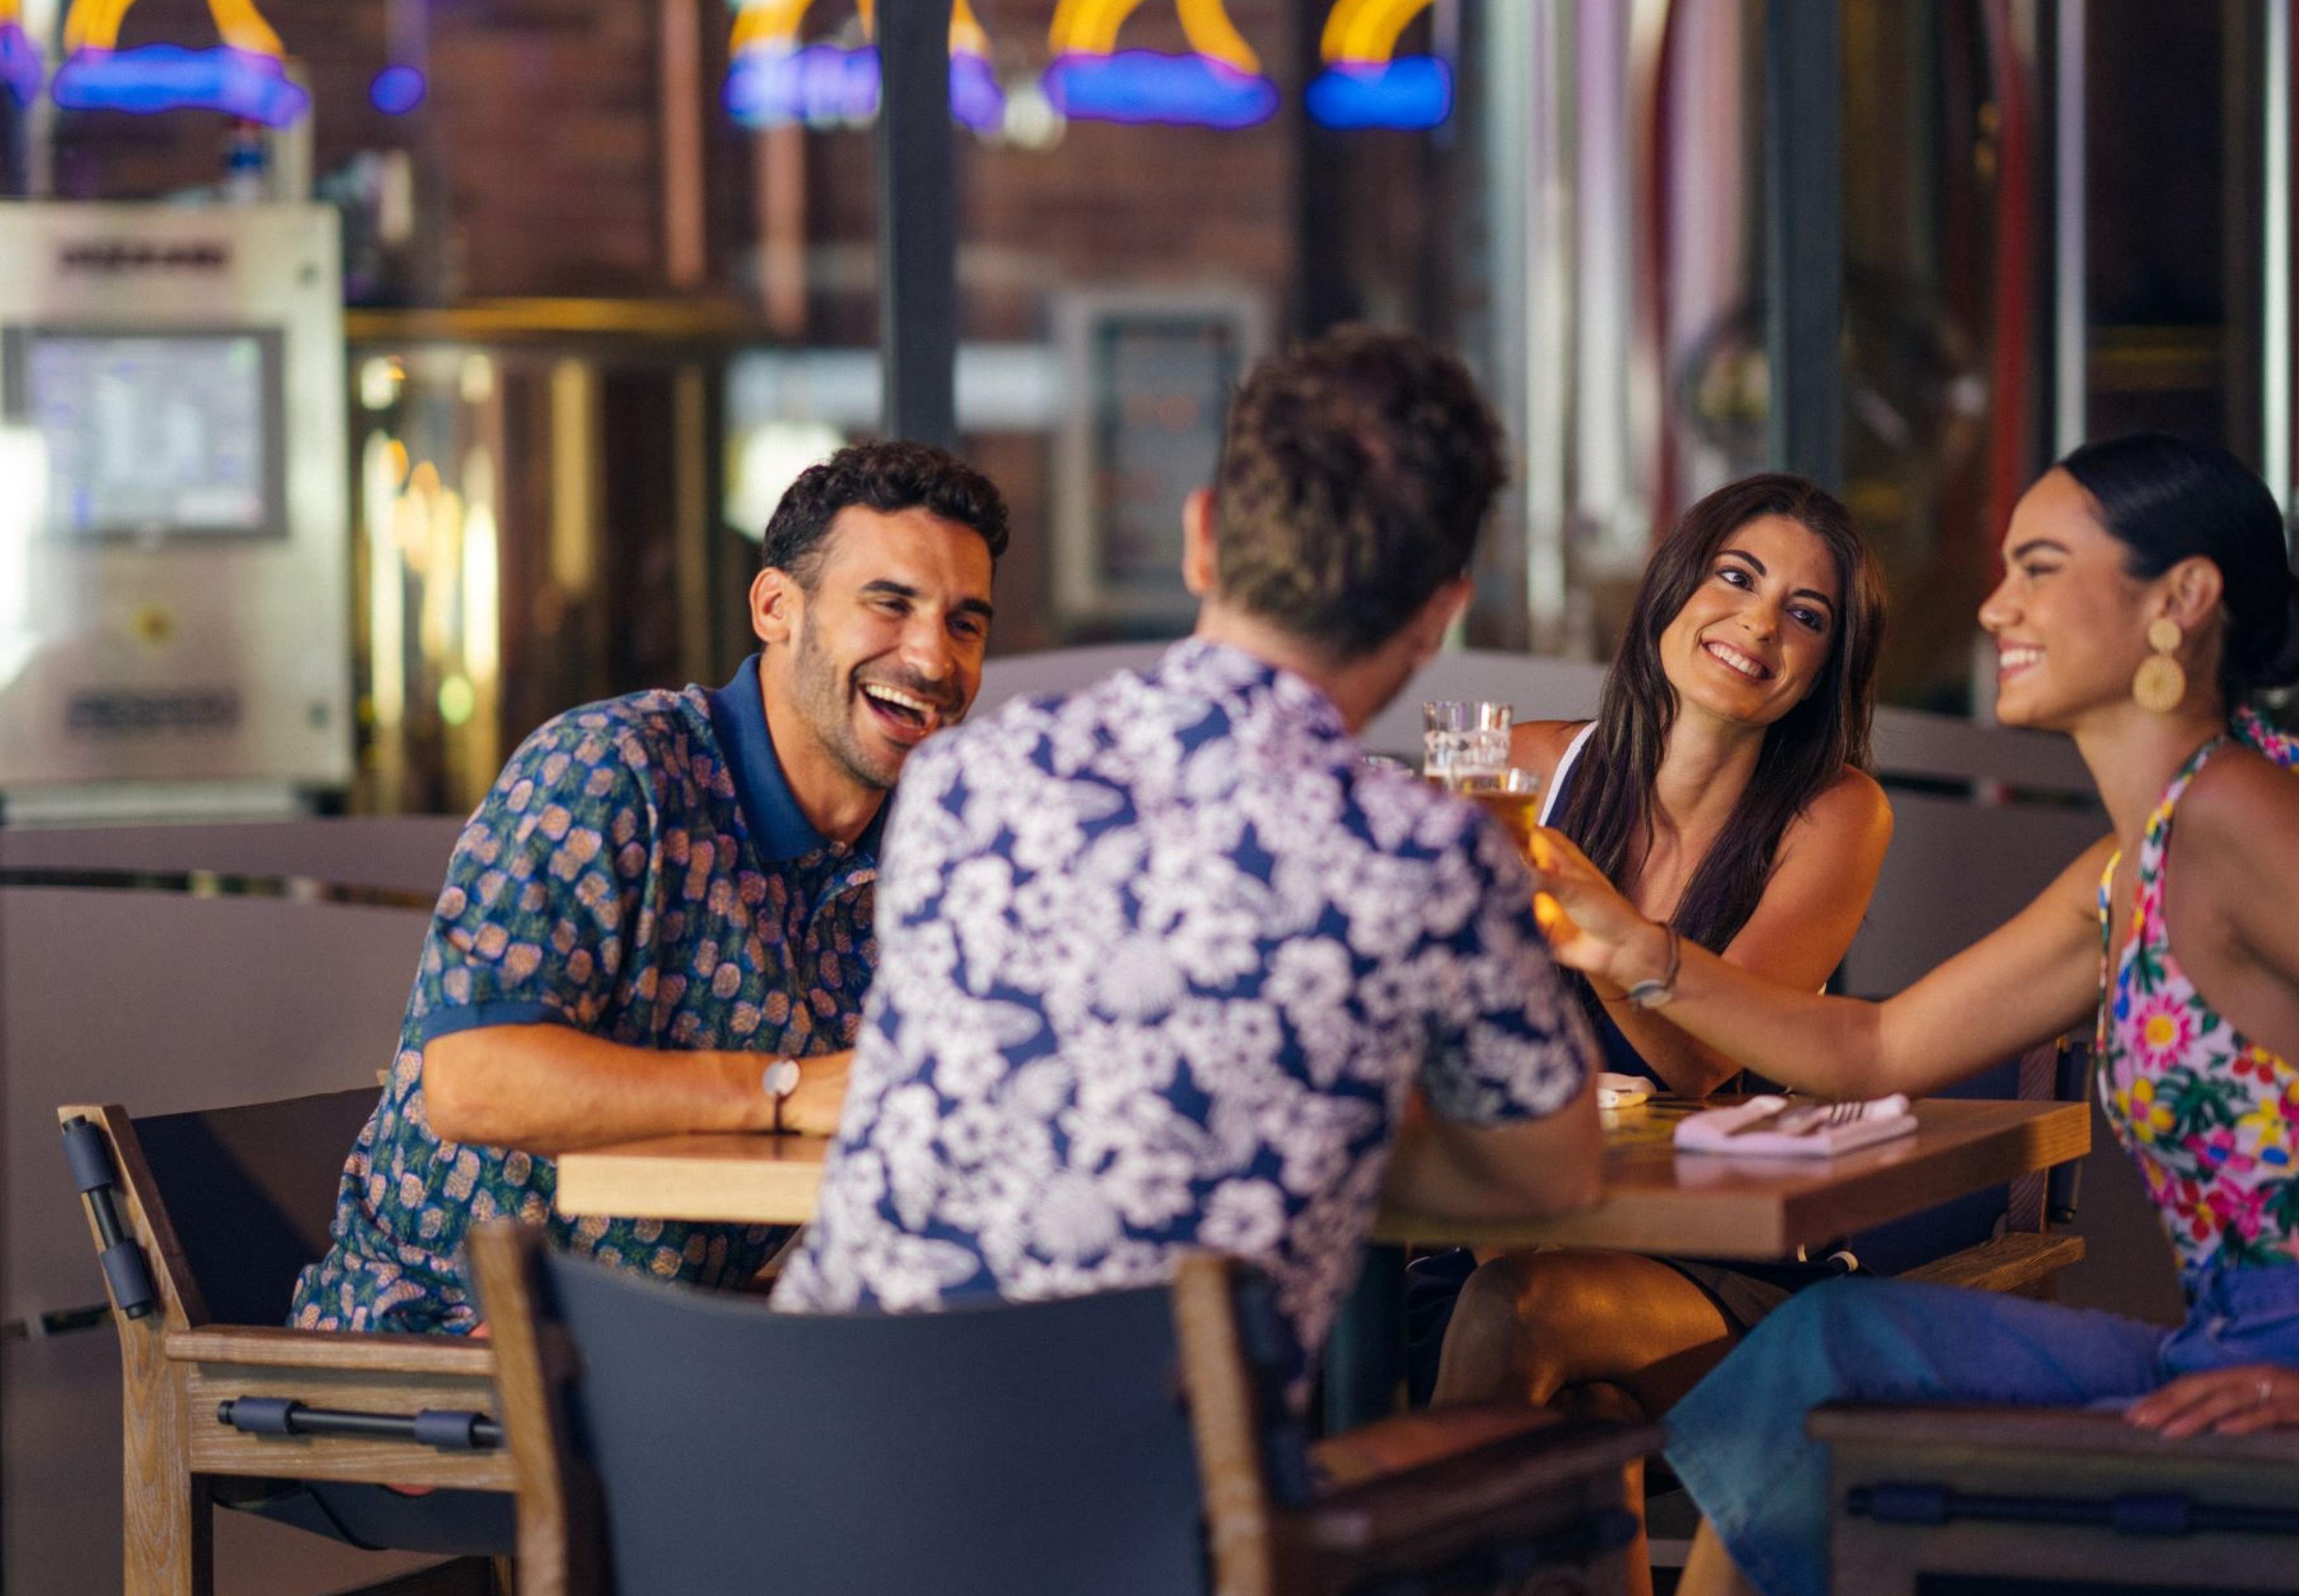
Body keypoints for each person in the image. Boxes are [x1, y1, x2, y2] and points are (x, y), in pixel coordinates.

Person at [1530, 432, 2299, 1596]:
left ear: (2179, 602)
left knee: (1821, 1367)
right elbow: (1876, 1047)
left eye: (2039, 568)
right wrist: (1635, 948)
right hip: (2229, 1337)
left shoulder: (2246, 815)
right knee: (1828, 1350)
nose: (1995, 609)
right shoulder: (2136, 861)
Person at [773, 326, 1605, 1381]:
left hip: (816, 1466)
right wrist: (1311, 1115)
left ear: (1201, 537)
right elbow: (1556, 1172)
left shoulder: (967, 778)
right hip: (1139, 1516)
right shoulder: (1423, 852)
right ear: (1442, 612)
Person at [290, 440, 1008, 1334]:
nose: (935, 659)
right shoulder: (609, 771)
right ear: (777, 607)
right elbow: (471, 1081)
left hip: (675, 1346)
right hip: (446, 1345)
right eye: (890, 606)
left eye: (965, 624)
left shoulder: (933, 846)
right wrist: (782, 1093)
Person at [1414, 475, 1890, 1596]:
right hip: (1497, 1233)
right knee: (1572, 1413)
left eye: (1806, 615)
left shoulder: (1834, 813)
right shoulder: (1521, 768)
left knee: (1519, 1310)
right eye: (1737, 577)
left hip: (1719, 1268)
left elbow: (1698, 1062)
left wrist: (1608, 930)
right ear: (1676, 588)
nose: (1760, 624)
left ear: (1825, 665)